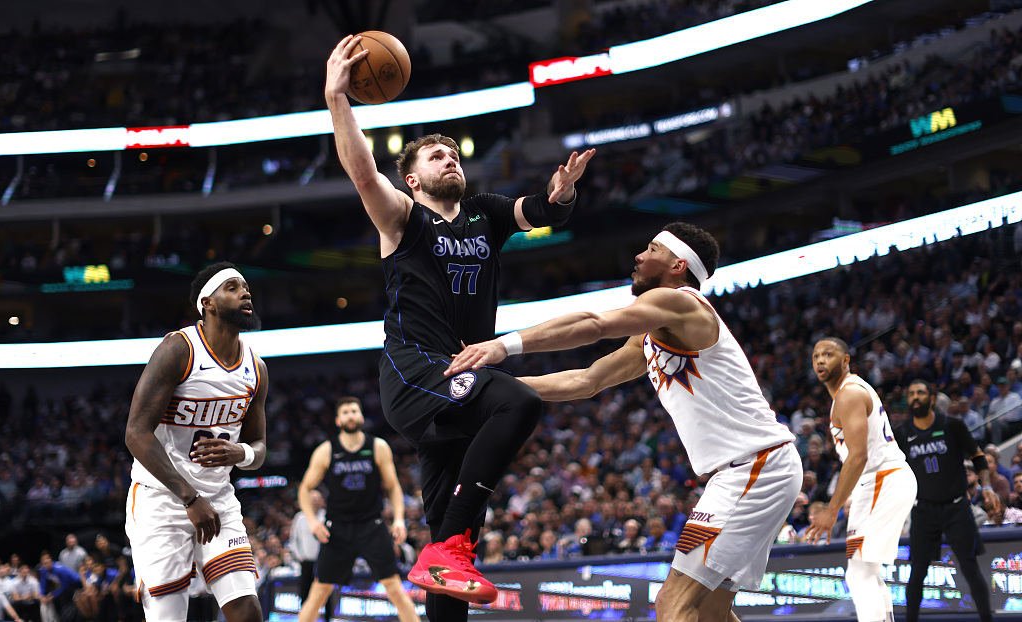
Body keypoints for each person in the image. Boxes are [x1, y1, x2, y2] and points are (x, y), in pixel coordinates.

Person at [324, 34, 595, 621]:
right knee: (519, 403)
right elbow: (363, 171)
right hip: (417, 372)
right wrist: (337, 99)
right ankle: (447, 546)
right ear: (415, 180)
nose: (450, 158)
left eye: (454, 153)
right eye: (436, 156)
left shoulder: (486, 213)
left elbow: (539, 212)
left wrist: (562, 195)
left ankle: (448, 549)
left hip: (460, 374)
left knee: (456, 548)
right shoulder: (403, 218)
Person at [445, 222, 801, 621]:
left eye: (651, 249)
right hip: (755, 467)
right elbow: (587, 380)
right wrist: (496, 386)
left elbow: (594, 324)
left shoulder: (681, 303)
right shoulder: (654, 332)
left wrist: (501, 346)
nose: (638, 255)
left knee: (673, 603)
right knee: (712, 610)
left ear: (678, 265)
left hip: (755, 467)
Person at [124, 262, 269, 622]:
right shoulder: (179, 349)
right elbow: (136, 433)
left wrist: (242, 452)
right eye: (233, 287)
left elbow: (260, 447)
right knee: (169, 617)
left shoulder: (256, 367)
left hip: (218, 500)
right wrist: (189, 497)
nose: (245, 292)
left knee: (248, 612)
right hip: (163, 500)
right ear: (209, 303)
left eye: (246, 287)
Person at [805, 337, 917, 622]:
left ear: (845, 361)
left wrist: (831, 511)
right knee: (864, 571)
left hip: (885, 479)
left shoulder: (849, 393)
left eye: (828, 354)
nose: (820, 360)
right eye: (816, 355)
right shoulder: (846, 393)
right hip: (878, 482)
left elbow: (858, 456)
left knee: (859, 572)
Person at [295, 397, 420, 622]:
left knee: (394, 588)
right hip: (337, 528)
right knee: (319, 591)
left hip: (372, 525)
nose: (350, 415)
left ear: (361, 416)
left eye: (354, 411)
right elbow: (305, 489)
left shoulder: (377, 446)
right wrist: (313, 522)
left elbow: (393, 487)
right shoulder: (326, 450)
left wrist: (399, 519)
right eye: (345, 412)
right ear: (337, 420)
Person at [894, 379, 998, 622]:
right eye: (911, 393)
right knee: (917, 572)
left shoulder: (952, 425)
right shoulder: (901, 433)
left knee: (970, 568)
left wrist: (987, 486)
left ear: (932, 398)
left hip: (956, 507)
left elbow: (979, 457)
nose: (915, 397)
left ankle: (987, 619)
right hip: (924, 510)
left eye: (920, 392)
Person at [288, 489, 325, 605]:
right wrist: (300, 556)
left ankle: (327, 618)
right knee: (304, 590)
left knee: (325, 590)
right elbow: (294, 539)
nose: (316, 501)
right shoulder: (300, 517)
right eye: (313, 499)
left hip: (323, 560)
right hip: (306, 561)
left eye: (318, 499)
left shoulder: (326, 517)